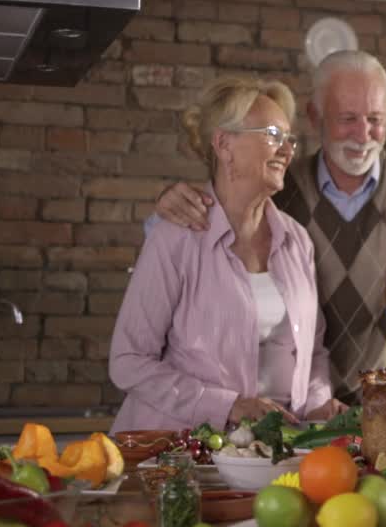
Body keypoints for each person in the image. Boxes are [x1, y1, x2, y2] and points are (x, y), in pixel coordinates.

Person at [151, 50, 386, 402]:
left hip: (376, 400)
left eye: (375, 119)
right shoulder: (281, 188)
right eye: (348, 118)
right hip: (279, 416)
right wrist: (165, 207)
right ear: (315, 115)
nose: (364, 135)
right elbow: (215, 208)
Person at [109, 76, 347, 434]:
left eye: (289, 139)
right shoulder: (175, 237)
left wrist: (317, 404)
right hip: (178, 454)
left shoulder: (297, 241)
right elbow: (128, 362)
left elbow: (311, 354)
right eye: (272, 134)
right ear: (224, 144)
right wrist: (229, 407)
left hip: (268, 455)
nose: (287, 149)